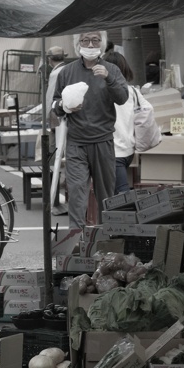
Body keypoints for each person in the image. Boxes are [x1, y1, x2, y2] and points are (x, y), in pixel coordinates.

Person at [51, 29, 129, 229]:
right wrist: (64, 106)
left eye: (95, 40)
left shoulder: (111, 69)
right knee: (76, 192)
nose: (91, 45)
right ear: (78, 44)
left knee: (105, 196)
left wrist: (108, 78)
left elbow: (122, 98)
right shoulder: (67, 72)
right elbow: (55, 105)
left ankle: (106, 241)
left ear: (102, 44)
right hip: (76, 142)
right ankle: (76, 241)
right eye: (85, 40)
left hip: (103, 140)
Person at [104, 51, 156, 194]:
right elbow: (148, 109)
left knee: (122, 193)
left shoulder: (101, 91)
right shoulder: (132, 91)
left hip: (113, 149)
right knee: (115, 191)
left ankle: (125, 216)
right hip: (128, 149)